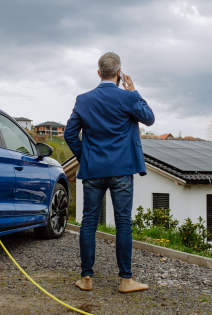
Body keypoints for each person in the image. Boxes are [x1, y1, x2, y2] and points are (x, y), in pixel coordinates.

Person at [64, 52, 155, 293]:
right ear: (119, 74)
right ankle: (126, 280)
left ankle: (86, 278)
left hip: (93, 170)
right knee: (123, 224)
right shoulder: (127, 97)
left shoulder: (83, 99)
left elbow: (69, 135)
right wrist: (134, 91)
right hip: (122, 170)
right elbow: (149, 118)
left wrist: (86, 158)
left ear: (98, 73)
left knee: (89, 223)